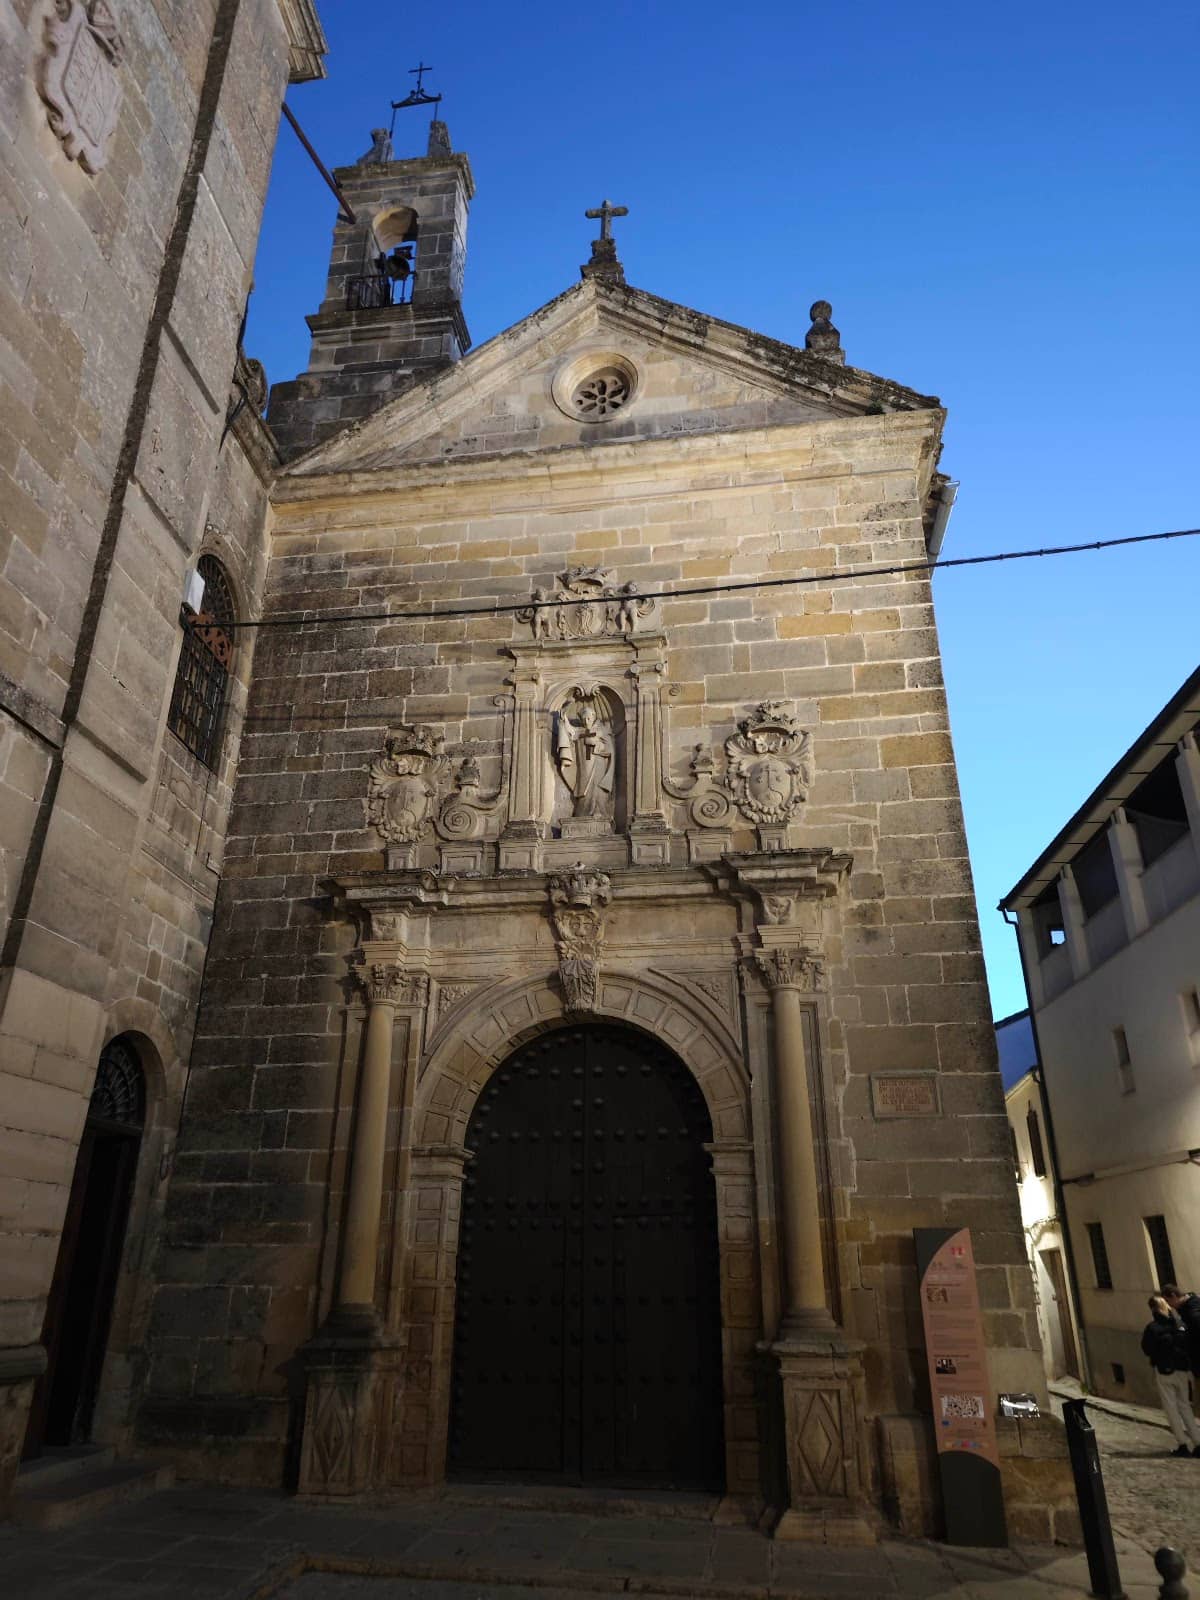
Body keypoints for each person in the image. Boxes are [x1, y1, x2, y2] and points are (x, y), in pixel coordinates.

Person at [1142, 1295, 1200, 1457]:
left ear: (1153, 1309)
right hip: (1182, 1370)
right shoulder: (1180, 1325)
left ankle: (1182, 1444)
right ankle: (1198, 1442)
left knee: (1171, 1408)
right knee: (1185, 1406)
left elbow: (1147, 1348)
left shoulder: (1153, 1328)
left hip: (1164, 1371)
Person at [1161, 1283, 1200, 1375]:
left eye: (1167, 1301)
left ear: (1173, 1296)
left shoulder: (1192, 1312)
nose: (1169, 1305)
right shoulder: (1187, 1308)